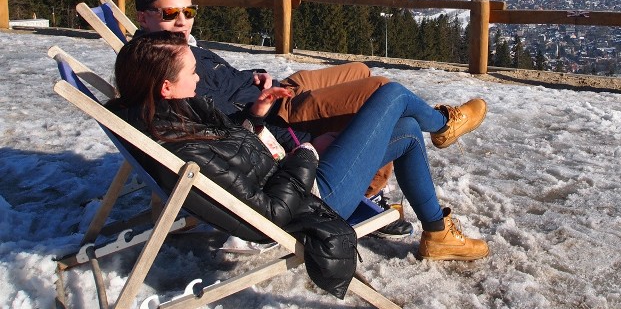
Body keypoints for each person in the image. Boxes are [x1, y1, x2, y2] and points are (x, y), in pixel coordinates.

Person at [109, 32, 490, 297]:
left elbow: (237, 159)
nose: (198, 77)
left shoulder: (171, 120)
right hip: (314, 200)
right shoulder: (186, 146)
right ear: (165, 87)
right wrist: (308, 154)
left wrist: (257, 116)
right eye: (191, 72)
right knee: (391, 94)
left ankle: (437, 233)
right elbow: (272, 210)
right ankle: (444, 125)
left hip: (293, 182)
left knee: (405, 129)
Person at [133, 0, 410, 236]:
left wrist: (252, 76)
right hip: (279, 111)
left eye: (188, 11)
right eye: (170, 13)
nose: (182, 21)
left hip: (270, 90)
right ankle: (368, 193)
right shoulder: (169, 68)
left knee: (359, 70)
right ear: (143, 18)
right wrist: (288, 135)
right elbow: (231, 129)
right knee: (380, 91)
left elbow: (224, 83)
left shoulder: (185, 47)